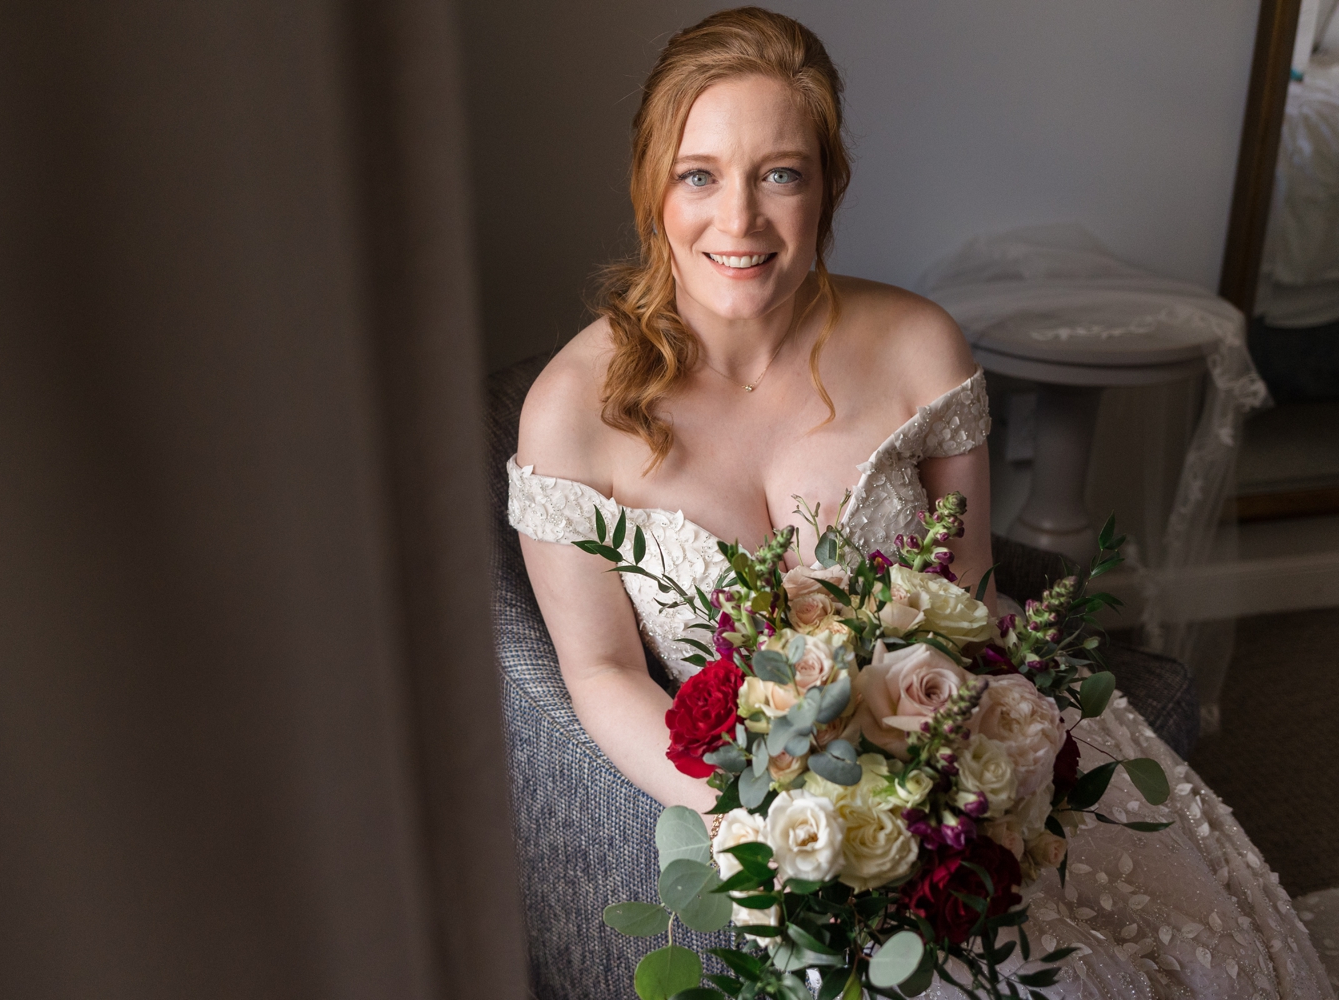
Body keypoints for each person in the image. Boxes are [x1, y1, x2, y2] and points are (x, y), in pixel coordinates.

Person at [506, 8, 1332, 999]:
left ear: (827, 185)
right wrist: (757, 813)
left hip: (961, 749)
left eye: (781, 173)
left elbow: (972, 591)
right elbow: (598, 668)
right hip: (772, 803)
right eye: (699, 174)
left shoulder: (919, 347)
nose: (740, 221)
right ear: (651, 185)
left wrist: (963, 776)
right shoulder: (571, 413)